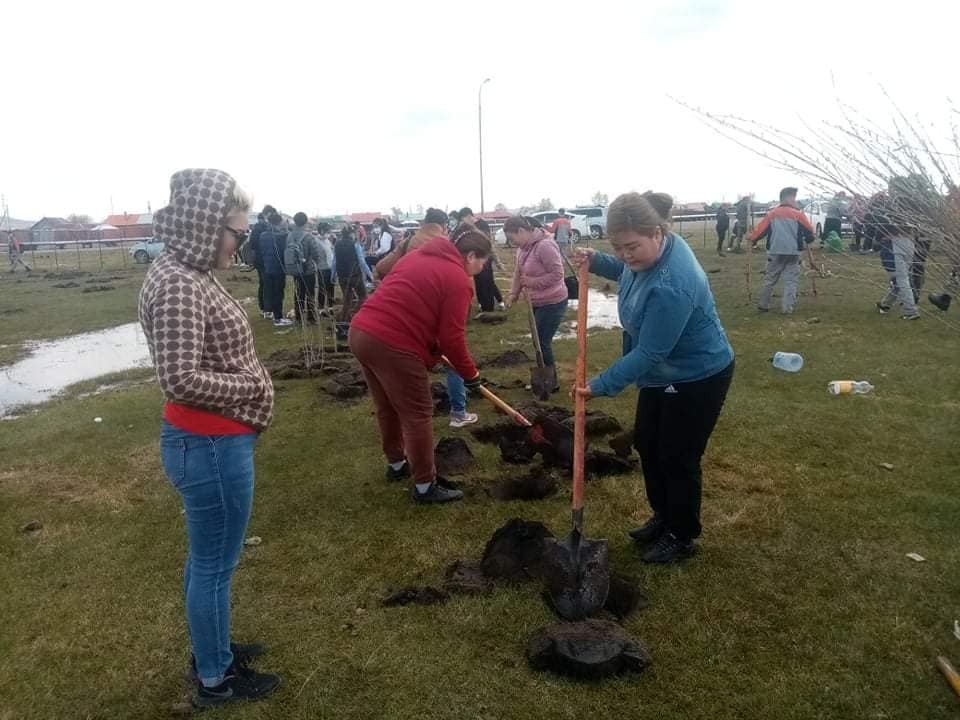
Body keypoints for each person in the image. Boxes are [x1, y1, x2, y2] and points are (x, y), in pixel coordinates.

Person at [138, 168, 280, 708]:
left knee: (209, 560)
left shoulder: (189, 271)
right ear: (205, 225)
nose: (240, 244)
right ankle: (215, 680)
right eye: (237, 233)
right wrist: (252, 385)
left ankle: (212, 650)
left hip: (211, 442)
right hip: (210, 446)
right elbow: (179, 379)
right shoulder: (178, 282)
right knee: (215, 564)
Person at [570, 191, 735, 564]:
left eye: (631, 247)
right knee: (648, 443)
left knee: (677, 455)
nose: (626, 255)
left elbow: (650, 352)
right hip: (663, 374)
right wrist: (598, 260)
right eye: (618, 247)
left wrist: (599, 385)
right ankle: (664, 516)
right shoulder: (648, 255)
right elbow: (627, 271)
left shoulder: (673, 284)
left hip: (697, 375)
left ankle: (681, 534)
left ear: (657, 233)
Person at [348, 225, 491, 504]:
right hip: (393, 343)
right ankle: (425, 486)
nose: (482, 268)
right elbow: (452, 338)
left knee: (387, 405)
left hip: (361, 332)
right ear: (471, 255)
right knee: (418, 414)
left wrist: (432, 346)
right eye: (483, 262)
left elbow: (412, 302)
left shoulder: (416, 256)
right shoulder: (458, 279)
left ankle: (396, 465)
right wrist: (471, 374)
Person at [373, 208, 477, 428]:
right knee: (453, 358)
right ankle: (458, 411)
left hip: (405, 320)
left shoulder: (409, 242)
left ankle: (407, 411)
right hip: (431, 316)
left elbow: (381, 268)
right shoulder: (445, 246)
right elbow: (461, 283)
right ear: (444, 226)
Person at [504, 215, 568, 393]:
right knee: (537, 341)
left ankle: (551, 382)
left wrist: (532, 282)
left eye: (512, 238)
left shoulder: (545, 246)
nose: (512, 243)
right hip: (536, 302)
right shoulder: (522, 249)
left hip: (553, 301)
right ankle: (545, 377)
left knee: (542, 341)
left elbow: (557, 274)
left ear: (521, 231)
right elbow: (518, 272)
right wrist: (513, 293)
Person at [749, 187, 816, 314]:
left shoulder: (772, 214)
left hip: (775, 251)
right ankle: (787, 308)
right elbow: (810, 233)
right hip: (793, 252)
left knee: (770, 279)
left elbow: (760, 232)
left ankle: (763, 304)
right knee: (791, 280)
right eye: (794, 198)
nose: (795, 201)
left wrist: (752, 239)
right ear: (788, 198)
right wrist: (807, 240)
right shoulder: (799, 214)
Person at [867, 183, 920, 320]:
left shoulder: (889, 211)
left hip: (895, 245)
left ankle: (911, 311)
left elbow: (879, 228)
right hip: (910, 243)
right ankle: (886, 304)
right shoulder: (912, 211)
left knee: (901, 279)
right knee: (901, 278)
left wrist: (878, 241)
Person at [459, 206, 504, 312]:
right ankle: (484, 306)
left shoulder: (482, 225)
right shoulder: (468, 228)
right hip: (474, 259)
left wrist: (497, 261)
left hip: (484, 258)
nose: (462, 222)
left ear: (468, 216)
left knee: (487, 283)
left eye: (463, 219)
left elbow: (488, 243)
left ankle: (489, 308)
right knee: (479, 283)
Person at [284, 212, 320, 324]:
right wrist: (315, 262)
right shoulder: (309, 236)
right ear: (305, 222)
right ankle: (311, 318)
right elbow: (315, 253)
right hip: (308, 270)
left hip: (295, 269)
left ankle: (298, 317)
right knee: (310, 294)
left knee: (298, 293)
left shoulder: (289, 236)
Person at [331, 226, 374, 321]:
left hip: (342, 276)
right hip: (355, 275)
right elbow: (362, 262)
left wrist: (333, 275)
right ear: (351, 234)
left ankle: (344, 319)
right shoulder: (355, 244)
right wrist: (370, 275)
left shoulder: (337, 245)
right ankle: (356, 314)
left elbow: (334, 262)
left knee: (347, 299)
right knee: (363, 296)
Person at [259, 212, 292, 327]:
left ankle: (271, 313)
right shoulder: (281, 237)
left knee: (270, 291)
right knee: (278, 293)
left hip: (267, 267)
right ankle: (278, 318)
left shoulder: (263, 235)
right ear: (278, 223)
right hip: (278, 268)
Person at [249, 206, 274, 317]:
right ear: (267, 214)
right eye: (271, 214)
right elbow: (254, 246)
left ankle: (263, 308)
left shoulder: (258, 227)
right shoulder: (261, 228)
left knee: (263, 283)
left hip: (261, 260)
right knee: (267, 284)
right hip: (263, 260)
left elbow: (252, 245)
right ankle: (267, 309)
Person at [315, 224, 335, 310]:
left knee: (331, 287)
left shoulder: (327, 241)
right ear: (322, 231)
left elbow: (331, 252)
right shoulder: (316, 241)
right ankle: (321, 309)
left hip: (330, 268)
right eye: (327, 231)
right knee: (322, 289)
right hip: (322, 268)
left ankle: (330, 307)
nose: (329, 233)